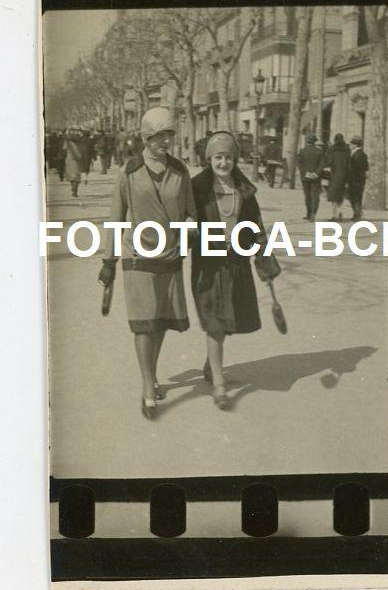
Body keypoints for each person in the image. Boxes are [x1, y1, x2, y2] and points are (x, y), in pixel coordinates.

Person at [98, 107, 196, 420]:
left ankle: (151, 372)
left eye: (170, 134)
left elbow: (191, 213)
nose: (167, 141)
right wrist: (109, 260)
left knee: (161, 320)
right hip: (137, 256)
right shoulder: (128, 172)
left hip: (170, 256)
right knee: (144, 323)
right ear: (145, 137)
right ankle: (146, 385)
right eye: (160, 136)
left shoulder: (181, 172)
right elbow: (115, 218)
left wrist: (187, 237)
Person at [191, 131, 281, 410]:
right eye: (218, 157)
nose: (223, 163)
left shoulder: (244, 189)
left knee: (226, 318)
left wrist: (263, 254)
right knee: (215, 320)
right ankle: (219, 385)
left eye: (228, 157)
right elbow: (185, 220)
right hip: (209, 264)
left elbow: (255, 224)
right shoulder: (196, 188)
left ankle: (210, 363)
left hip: (237, 262)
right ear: (209, 159)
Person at [297, 133, 325, 220]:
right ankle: (313, 213)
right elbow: (322, 164)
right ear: (315, 141)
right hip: (316, 178)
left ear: (307, 141)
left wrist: (306, 173)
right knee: (315, 196)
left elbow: (300, 164)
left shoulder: (302, 151)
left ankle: (308, 213)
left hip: (305, 178)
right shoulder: (320, 152)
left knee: (307, 196)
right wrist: (316, 173)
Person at [325, 132, 350, 220]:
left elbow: (329, 162)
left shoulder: (332, 150)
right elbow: (349, 164)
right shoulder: (347, 150)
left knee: (334, 196)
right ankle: (341, 212)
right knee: (341, 195)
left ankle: (333, 214)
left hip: (334, 175)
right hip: (344, 176)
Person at [348, 135, 369, 220]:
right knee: (357, 197)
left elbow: (354, 168)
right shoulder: (363, 154)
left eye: (351, 144)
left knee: (354, 197)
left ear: (355, 145)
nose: (350, 145)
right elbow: (366, 167)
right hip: (360, 179)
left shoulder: (356, 155)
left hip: (355, 179)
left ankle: (357, 214)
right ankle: (357, 214)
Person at [64, 128, 83, 197]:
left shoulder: (68, 142)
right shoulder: (81, 140)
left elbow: (64, 149)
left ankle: (73, 189)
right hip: (78, 158)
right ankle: (74, 190)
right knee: (77, 175)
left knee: (71, 176)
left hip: (69, 159)